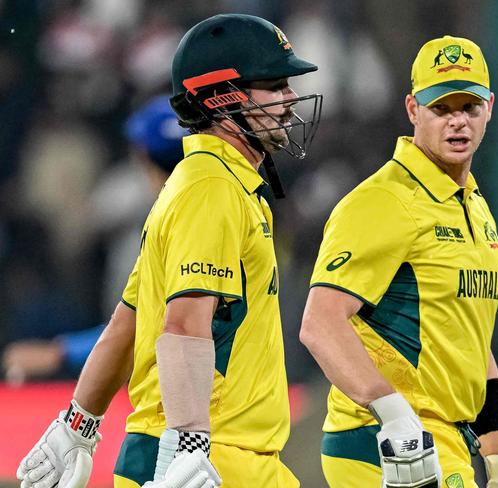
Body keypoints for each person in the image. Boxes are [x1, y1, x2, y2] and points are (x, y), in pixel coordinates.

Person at [16, 13, 322, 488]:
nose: (288, 99)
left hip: (214, 451)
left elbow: (130, 320)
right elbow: (182, 324)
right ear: (224, 97)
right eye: (274, 85)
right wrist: (190, 446)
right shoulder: (211, 189)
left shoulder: (210, 183)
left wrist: (78, 425)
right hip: (205, 455)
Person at [300, 35, 498, 488]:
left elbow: (468, 338)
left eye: (470, 106)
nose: (458, 121)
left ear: (491, 107)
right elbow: (320, 323)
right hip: (385, 443)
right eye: (441, 108)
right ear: (412, 109)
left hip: (444, 439)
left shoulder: (473, 204)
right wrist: (394, 415)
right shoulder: (384, 201)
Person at [2, 96, 186, 384]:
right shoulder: (208, 203)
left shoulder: (182, 221)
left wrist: (60, 353)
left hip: (185, 389)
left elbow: (162, 324)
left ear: (142, 153)